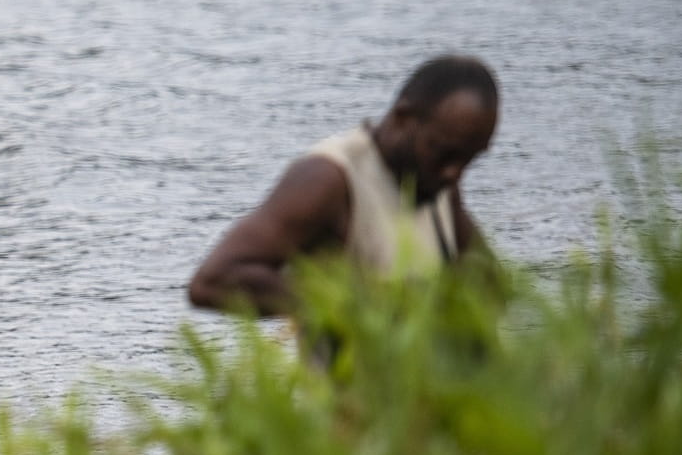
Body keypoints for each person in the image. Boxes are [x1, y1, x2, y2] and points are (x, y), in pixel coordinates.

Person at [187, 56, 497, 318]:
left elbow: (493, 286)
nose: (455, 173)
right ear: (403, 118)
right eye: (444, 152)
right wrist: (357, 304)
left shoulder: (436, 180)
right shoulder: (329, 178)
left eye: (470, 159)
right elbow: (213, 282)